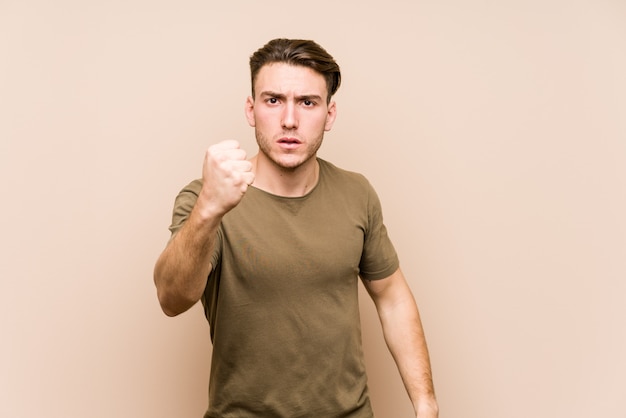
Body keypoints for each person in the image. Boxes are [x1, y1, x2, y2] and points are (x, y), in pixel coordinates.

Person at [154, 38, 438, 418]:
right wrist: (209, 209)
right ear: (251, 110)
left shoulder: (357, 193)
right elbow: (172, 298)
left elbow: (392, 297)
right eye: (273, 100)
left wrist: (425, 403)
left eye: (307, 102)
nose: (290, 120)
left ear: (329, 114)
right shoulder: (206, 199)